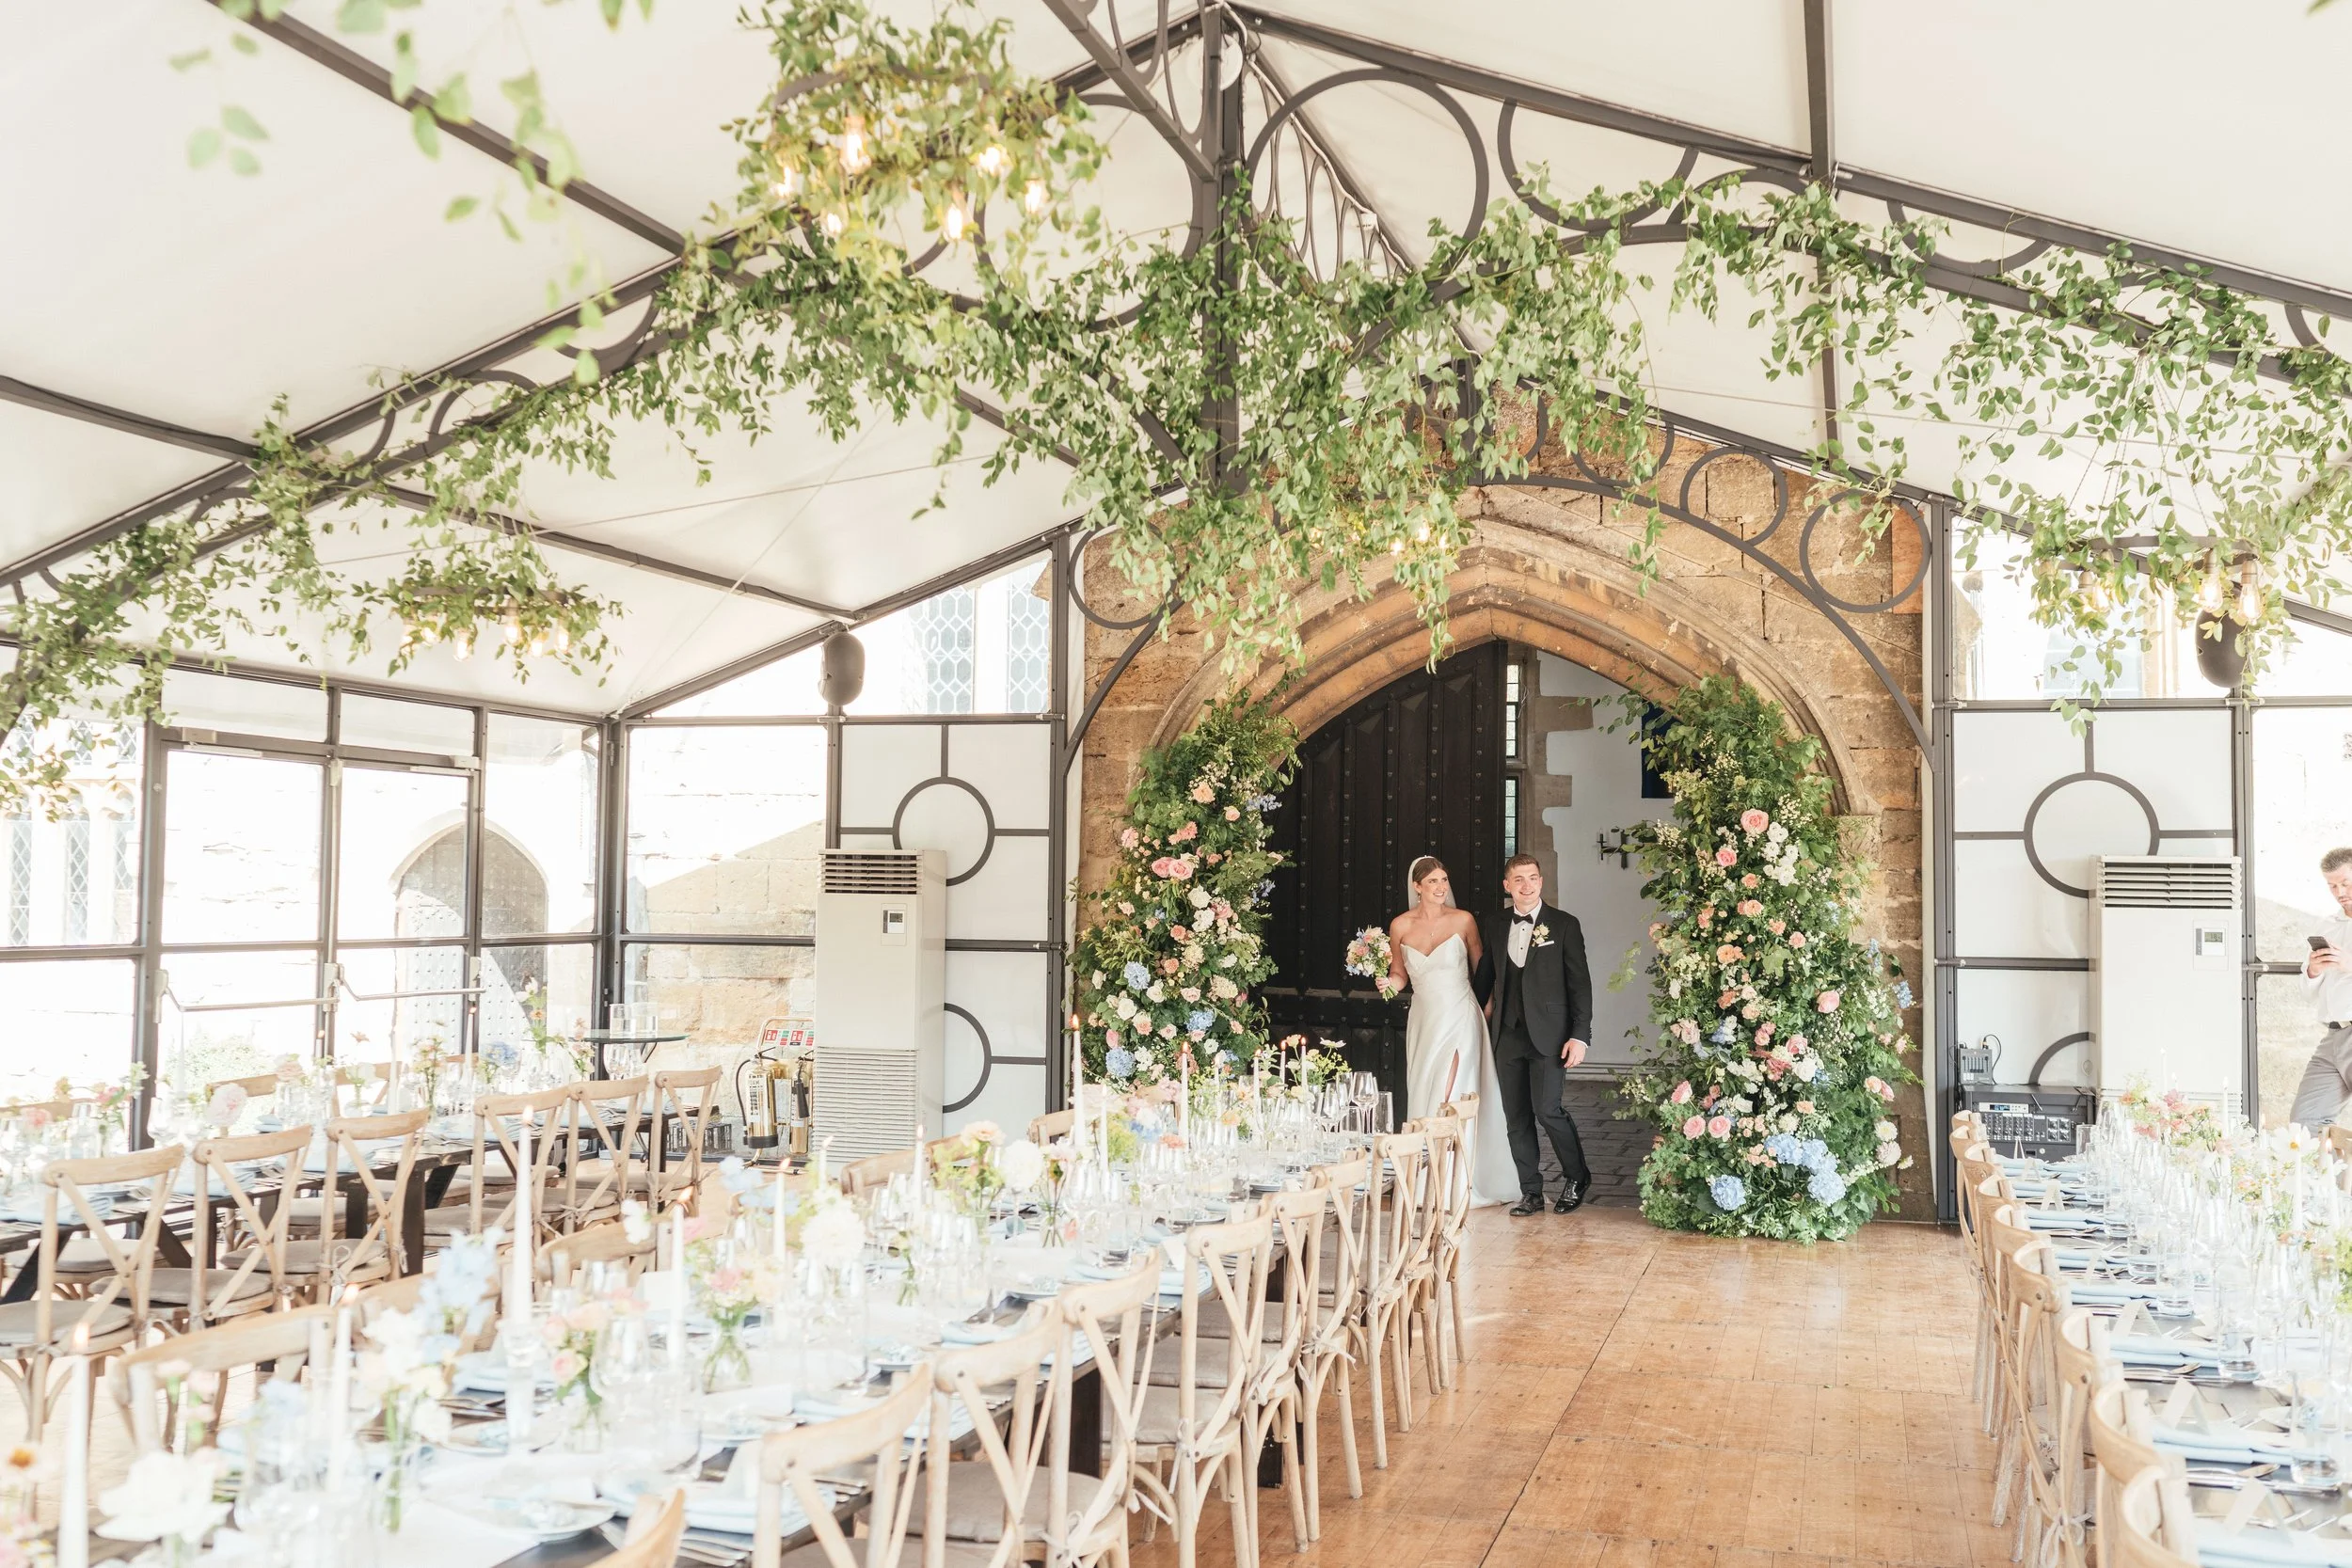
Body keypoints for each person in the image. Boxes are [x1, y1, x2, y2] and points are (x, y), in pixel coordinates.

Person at [1386, 857, 1518, 1206]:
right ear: (1417, 887)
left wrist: (1487, 1008)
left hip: (1460, 1013)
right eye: (1433, 882)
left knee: (1451, 1091)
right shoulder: (1400, 926)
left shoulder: (1463, 920)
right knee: (1426, 1090)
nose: (1441, 887)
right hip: (1425, 1018)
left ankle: (1456, 1183)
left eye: (1444, 880)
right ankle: (1427, 1182)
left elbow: (1482, 967)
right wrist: (1386, 981)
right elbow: (1400, 974)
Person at [1473, 853, 1595, 1216]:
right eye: (1519, 879)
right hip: (1507, 1035)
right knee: (1517, 1116)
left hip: (1551, 1035)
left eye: (1533, 878)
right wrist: (1466, 1016)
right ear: (1507, 886)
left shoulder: (1564, 925)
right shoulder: (1494, 923)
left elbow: (1580, 985)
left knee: (1548, 1110)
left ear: (1541, 882)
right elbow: (1484, 978)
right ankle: (1531, 1191)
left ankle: (1577, 1176)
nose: (1527, 885)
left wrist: (1580, 1035)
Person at [2292, 847, 2352, 1128]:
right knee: (2305, 1121)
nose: (2340, 892)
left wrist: (2347, 963)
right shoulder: (2327, 925)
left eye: (2346, 883)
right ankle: (2328, 1175)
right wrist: (2314, 971)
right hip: (2332, 1037)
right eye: (2332, 886)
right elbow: (2307, 993)